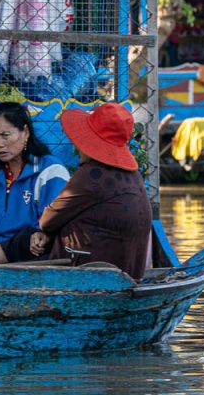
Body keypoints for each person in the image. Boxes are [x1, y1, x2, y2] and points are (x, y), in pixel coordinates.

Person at [29, 102, 152, 279]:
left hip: (92, 274)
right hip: (130, 270)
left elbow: (47, 221)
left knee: (26, 238)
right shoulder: (133, 175)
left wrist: (46, 233)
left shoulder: (92, 175)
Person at [0, 102, 70, 264]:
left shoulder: (50, 171)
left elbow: (52, 222)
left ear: (25, 132)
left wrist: (39, 235)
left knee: (27, 238)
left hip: (31, 256)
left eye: (5, 135)